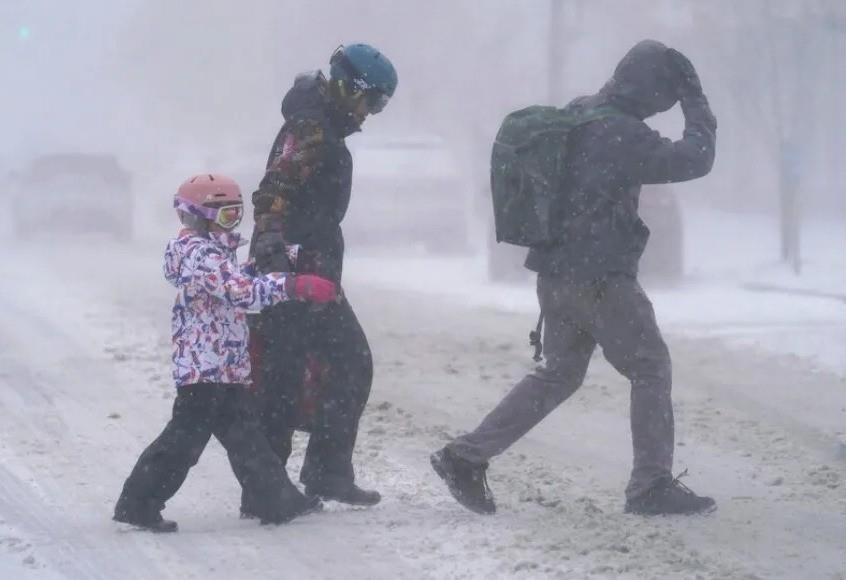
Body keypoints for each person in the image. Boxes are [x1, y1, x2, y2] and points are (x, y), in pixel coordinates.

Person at [431, 40, 718, 516]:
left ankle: (465, 456)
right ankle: (651, 486)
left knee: (558, 375)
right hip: (601, 277)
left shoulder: (580, 113)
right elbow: (696, 158)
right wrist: (696, 101)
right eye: (663, 97)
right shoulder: (621, 133)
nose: (660, 109)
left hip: (557, 275)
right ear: (651, 90)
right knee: (650, 367)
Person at [113, 174, 337, 532]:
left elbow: (234, 278)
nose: (231, 223)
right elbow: (239, 292)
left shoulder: (212, 252)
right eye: (225, 216)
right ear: (199, 216)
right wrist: (294, 285)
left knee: (246, 437)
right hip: (204, 369)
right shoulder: (197, 253)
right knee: (183, 440)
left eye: (236, 215)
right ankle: (139, 502)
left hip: (225, 365)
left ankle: (277, 501)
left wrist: (279, 258)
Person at [244, 44, 398, 509]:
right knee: (283, 376)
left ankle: (325, 473)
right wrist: (272, 245)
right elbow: (275, 187)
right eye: (373, 101)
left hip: (316, 270)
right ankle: (266, 489)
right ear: (350, 88)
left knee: (345, 363)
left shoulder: (324, 126)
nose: (372, 113)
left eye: (381, 105)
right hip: (291, 270)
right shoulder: (311, 128)